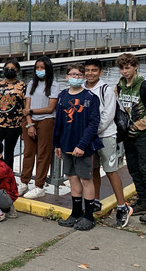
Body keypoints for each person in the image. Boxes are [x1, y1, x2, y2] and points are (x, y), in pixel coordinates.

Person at [116, 53, 146, 225]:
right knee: (134, 169)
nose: (124, 71)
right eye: (122, 68)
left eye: (127, 67)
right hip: (128, 137)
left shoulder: (145, 86)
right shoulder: (120, 87)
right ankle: (143, 202)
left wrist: (137, 127)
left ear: (135, 66)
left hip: (144, 136)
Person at [54, 63, 102, 231]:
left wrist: (83, 145)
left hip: (83, 147)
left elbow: (93, 123)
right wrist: (57, 143)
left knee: (86, 179)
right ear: (67, 77)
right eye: (72, 74)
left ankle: (88, 215)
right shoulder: (62, 96)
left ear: (83, 78)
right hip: (66, 144)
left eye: (79, 75)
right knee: (72, 178)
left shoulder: (90, 97)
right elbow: (58, 121)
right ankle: (75, 212)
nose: (76, 77)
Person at [85, 58, 132, 228]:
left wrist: (90, 131)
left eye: (94, 70)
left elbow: (107, 116)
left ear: (101, 72)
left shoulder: (106, 90)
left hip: (106, 136)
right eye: (87, 70)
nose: (90, 73)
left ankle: (122, 207)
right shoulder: (82, 88)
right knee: (94, 170)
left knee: (111, 171)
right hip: (89, 138)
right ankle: (95, 201)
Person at [20, 56, 59, 199]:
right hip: (30, 121)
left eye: (42, 68)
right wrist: (29, 123)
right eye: (37, 68)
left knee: (43, 153)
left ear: (48, 69)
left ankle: (39, 185)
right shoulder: (31, 84)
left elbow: (50, 108)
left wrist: (31, 112)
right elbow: (27, 107)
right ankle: (24, 182)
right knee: (28, 152)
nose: (39, 70)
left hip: (46, 121)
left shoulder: (54, 85)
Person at [0, 59, 26, 170]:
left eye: (12, 69)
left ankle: (8, 177)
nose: (9, 71)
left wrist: (24, 127)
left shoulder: (22, 86)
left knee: (9, 152)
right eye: (7, 69)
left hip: (14, 126)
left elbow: (25, 107)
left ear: (17, 71)